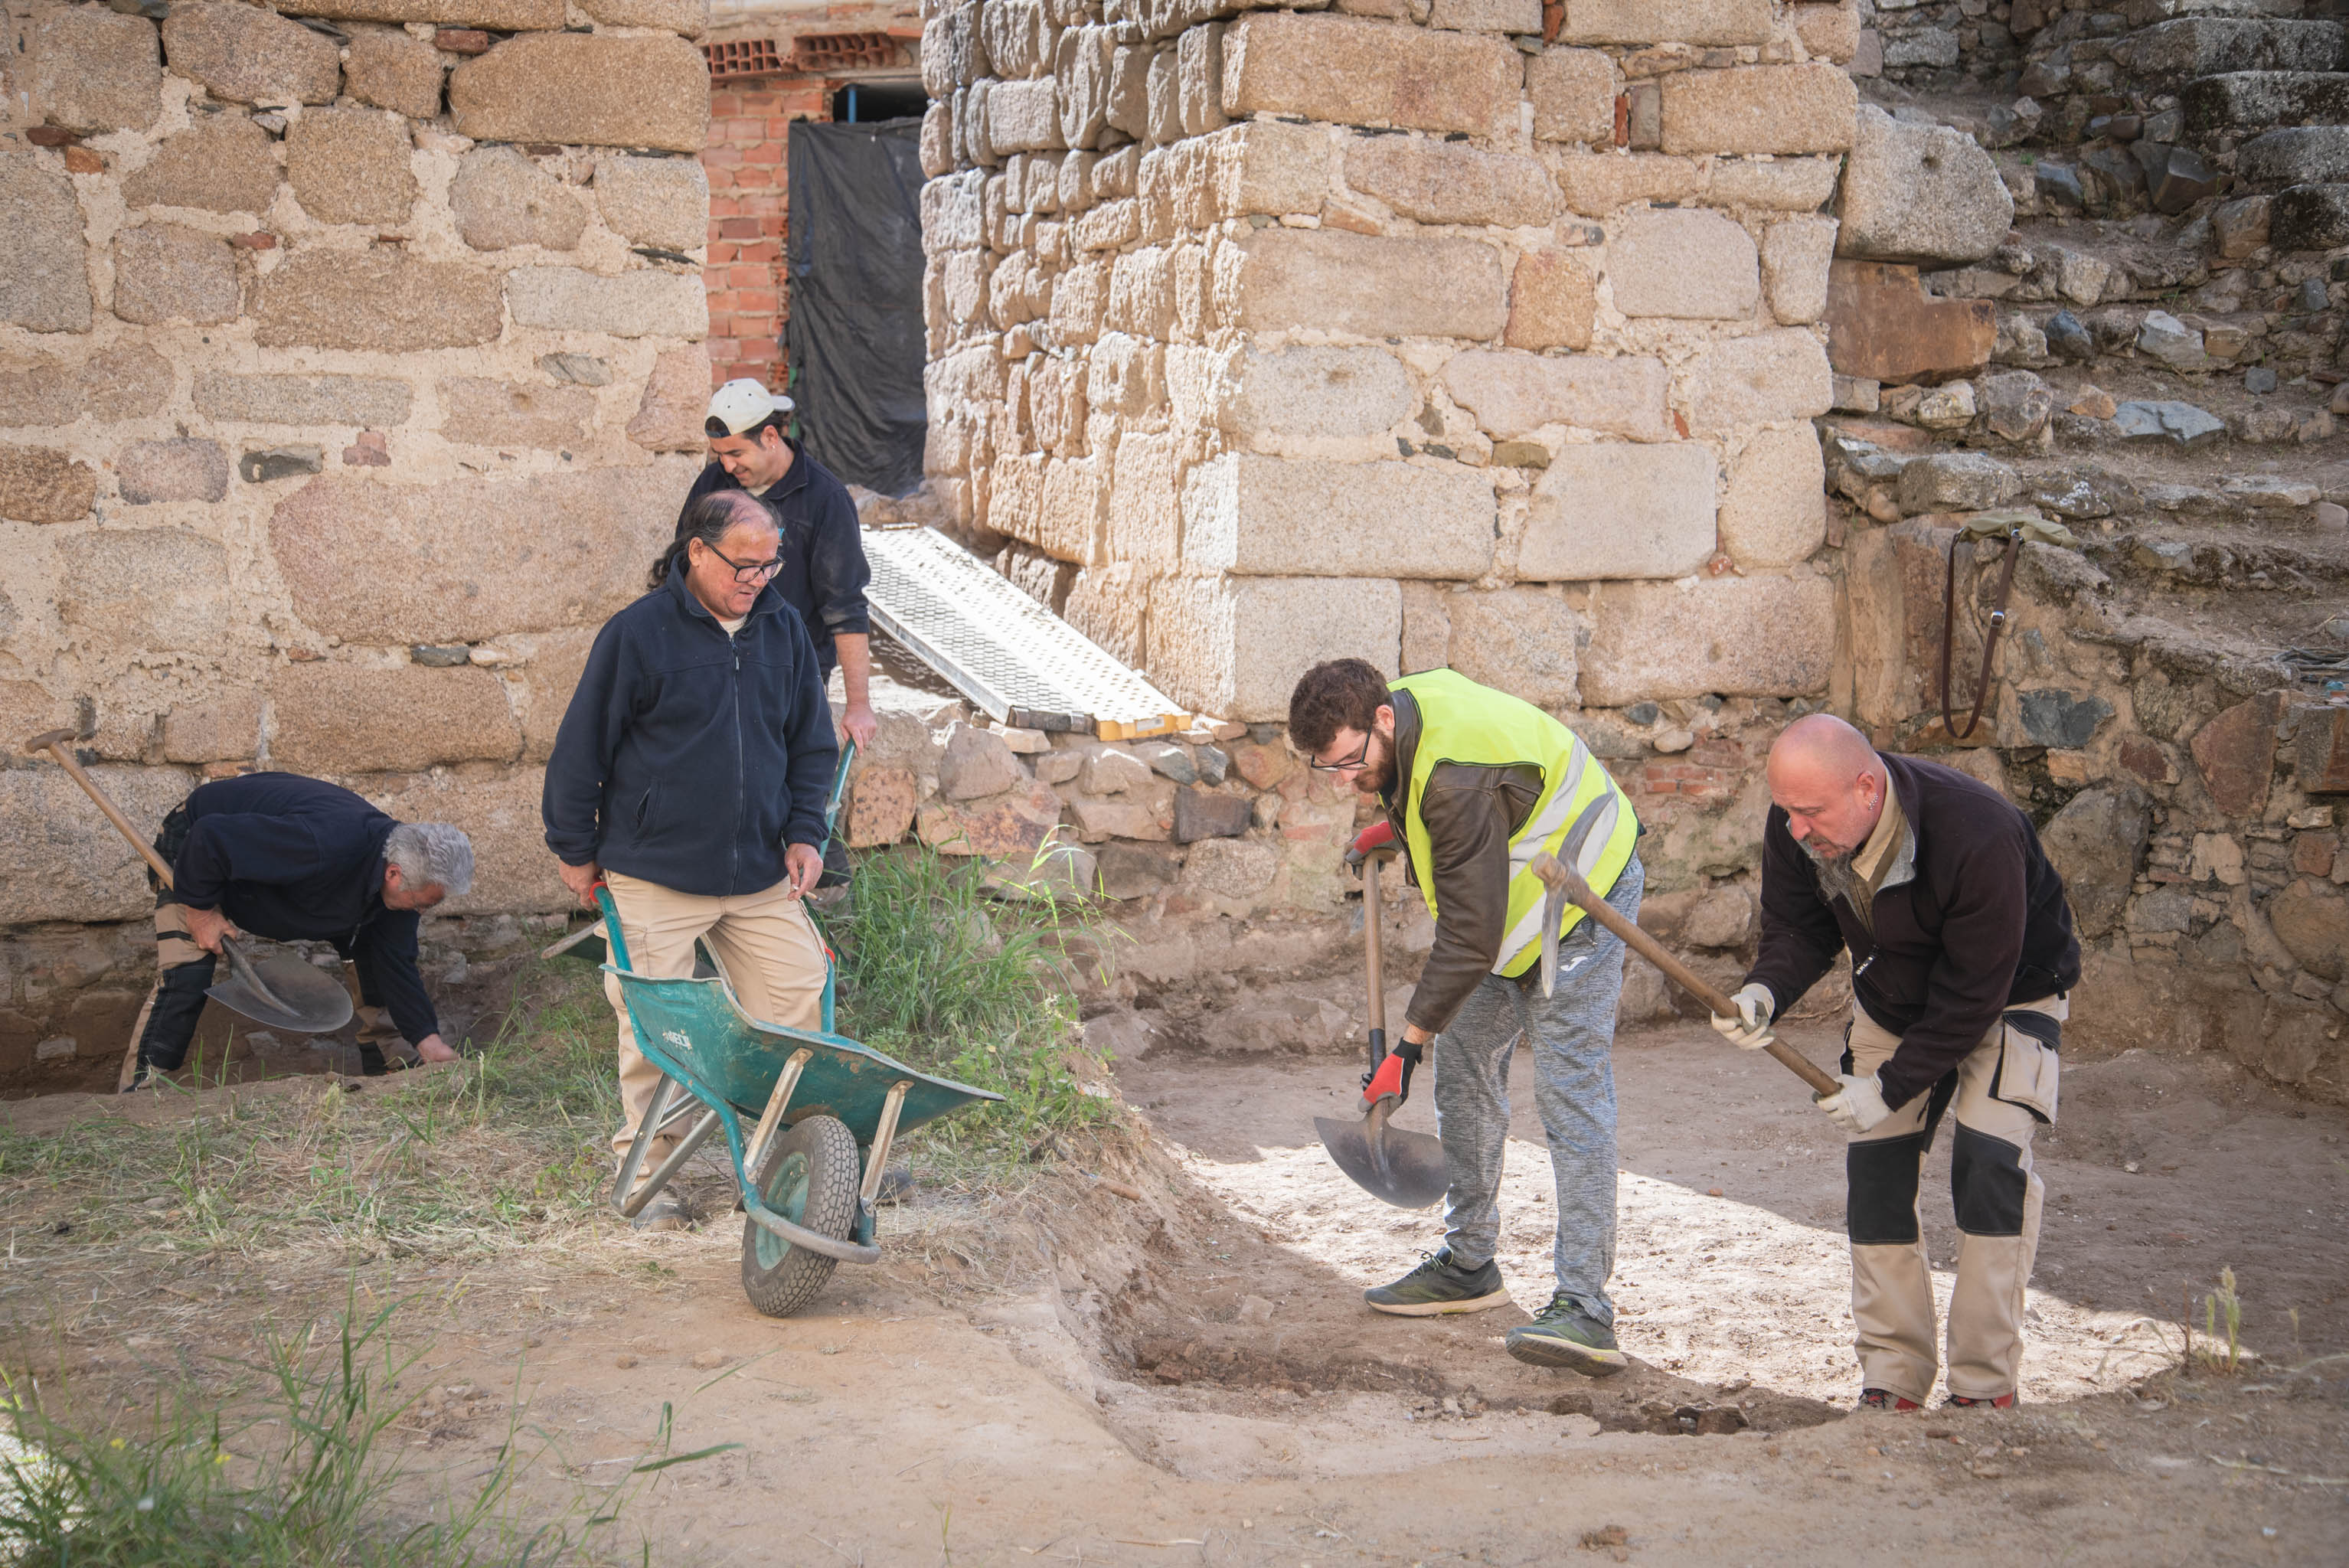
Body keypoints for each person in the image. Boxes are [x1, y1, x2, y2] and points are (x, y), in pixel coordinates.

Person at [1711, 714, 2079, 1411]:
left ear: (1867, 789)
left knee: (1989, 1164)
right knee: (1877, 1173)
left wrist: (1891, 1086)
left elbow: (1975, 992)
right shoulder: (1800, 821)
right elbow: (1798, 930)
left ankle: (1983, 1384)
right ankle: (1893, 1375)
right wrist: (1764, 992)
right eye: (1787, 810)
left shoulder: (1978, 831)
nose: (1795, 830)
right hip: (1892, 999)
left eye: (1811, 812)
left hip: (2009, 996)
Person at [1289, 659, 1645, 1376]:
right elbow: (1444, 808)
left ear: (1382, 718)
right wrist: (1394, 829)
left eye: (1349, 763)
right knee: (1465, 1071)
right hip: (1512, 896)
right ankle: (1470, 1263)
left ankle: (1585, 1308)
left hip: (1583, 898)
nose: (1342, 782)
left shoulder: (1455, 778)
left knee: (1569, 1095)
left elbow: (1469, 937)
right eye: (1325, 769)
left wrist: (1406, 1048)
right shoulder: (1405, 718)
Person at [543, 488, 840, 1232]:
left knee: (798, 998)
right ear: (697, 552)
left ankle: (787, 1164)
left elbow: (809, 742)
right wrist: (573, 848)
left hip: (759, 871)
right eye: (745, 564)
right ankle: (646, 1173)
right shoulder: (637, 635)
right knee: (658, 1024)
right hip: (654, 868)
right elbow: (582, 748)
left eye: (771, 565)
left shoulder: (783, 630)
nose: (759, 579)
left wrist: (806, 832)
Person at [122, 773, 472, 1091]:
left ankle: (391, 1076)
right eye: (421, 903)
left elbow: (398, 965)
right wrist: (200, 914)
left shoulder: (397, 887)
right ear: (394, 874)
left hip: (251, 868)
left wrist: (428, 1039)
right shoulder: (323, 844)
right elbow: (209, 839)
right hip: (197, 849)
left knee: (376, 949)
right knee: (188, 970)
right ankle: (140, 1094)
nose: (422, 912)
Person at [674, 378, 877, 753]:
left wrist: (859, 705)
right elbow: (681, 570)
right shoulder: (713, 484)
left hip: (792, 675)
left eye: (735, 452)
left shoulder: (825, 500)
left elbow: (846, 608)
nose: (727, 465)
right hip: (711, 667)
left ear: (769, 436)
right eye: (719, 454)